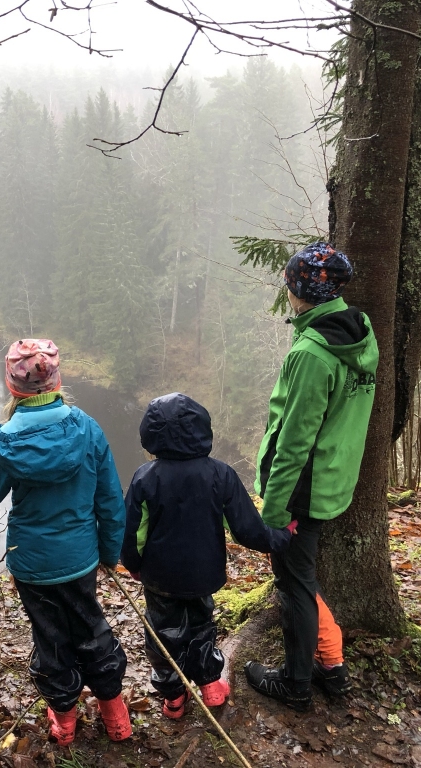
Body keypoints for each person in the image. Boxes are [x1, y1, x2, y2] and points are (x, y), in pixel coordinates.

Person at [0, 339, 131, 746]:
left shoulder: (4, 443)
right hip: (81, 559)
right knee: (91, 628)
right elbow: (110, 502)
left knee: (50, 638)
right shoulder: (87, 428)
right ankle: (115, 714)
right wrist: (108, 553)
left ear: (13, 387)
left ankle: (64, 722)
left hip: (33, 566)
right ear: (55, 380)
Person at [244, 242, 378, 711]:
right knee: (302, 576)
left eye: (289, 283)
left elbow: (294, 441)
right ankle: (331, 667)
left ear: (300, 289)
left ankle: (296, 682)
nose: (287, 291)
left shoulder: (312, 354)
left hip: (303, 487)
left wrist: (275, 511)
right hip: (335, 478)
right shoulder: (359, 331)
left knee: (293, 583)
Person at [120, 393, 293, 719]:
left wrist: (132, 564)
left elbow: (133, 532)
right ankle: (211, 686)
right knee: (201, 627)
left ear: (151, 434)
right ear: (201, 428)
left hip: (159, 578)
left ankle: (174, 698)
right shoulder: (221, 474)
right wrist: (281, 537)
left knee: (163, 634)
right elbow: (246, 529)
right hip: (204, 574)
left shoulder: (145, 477)